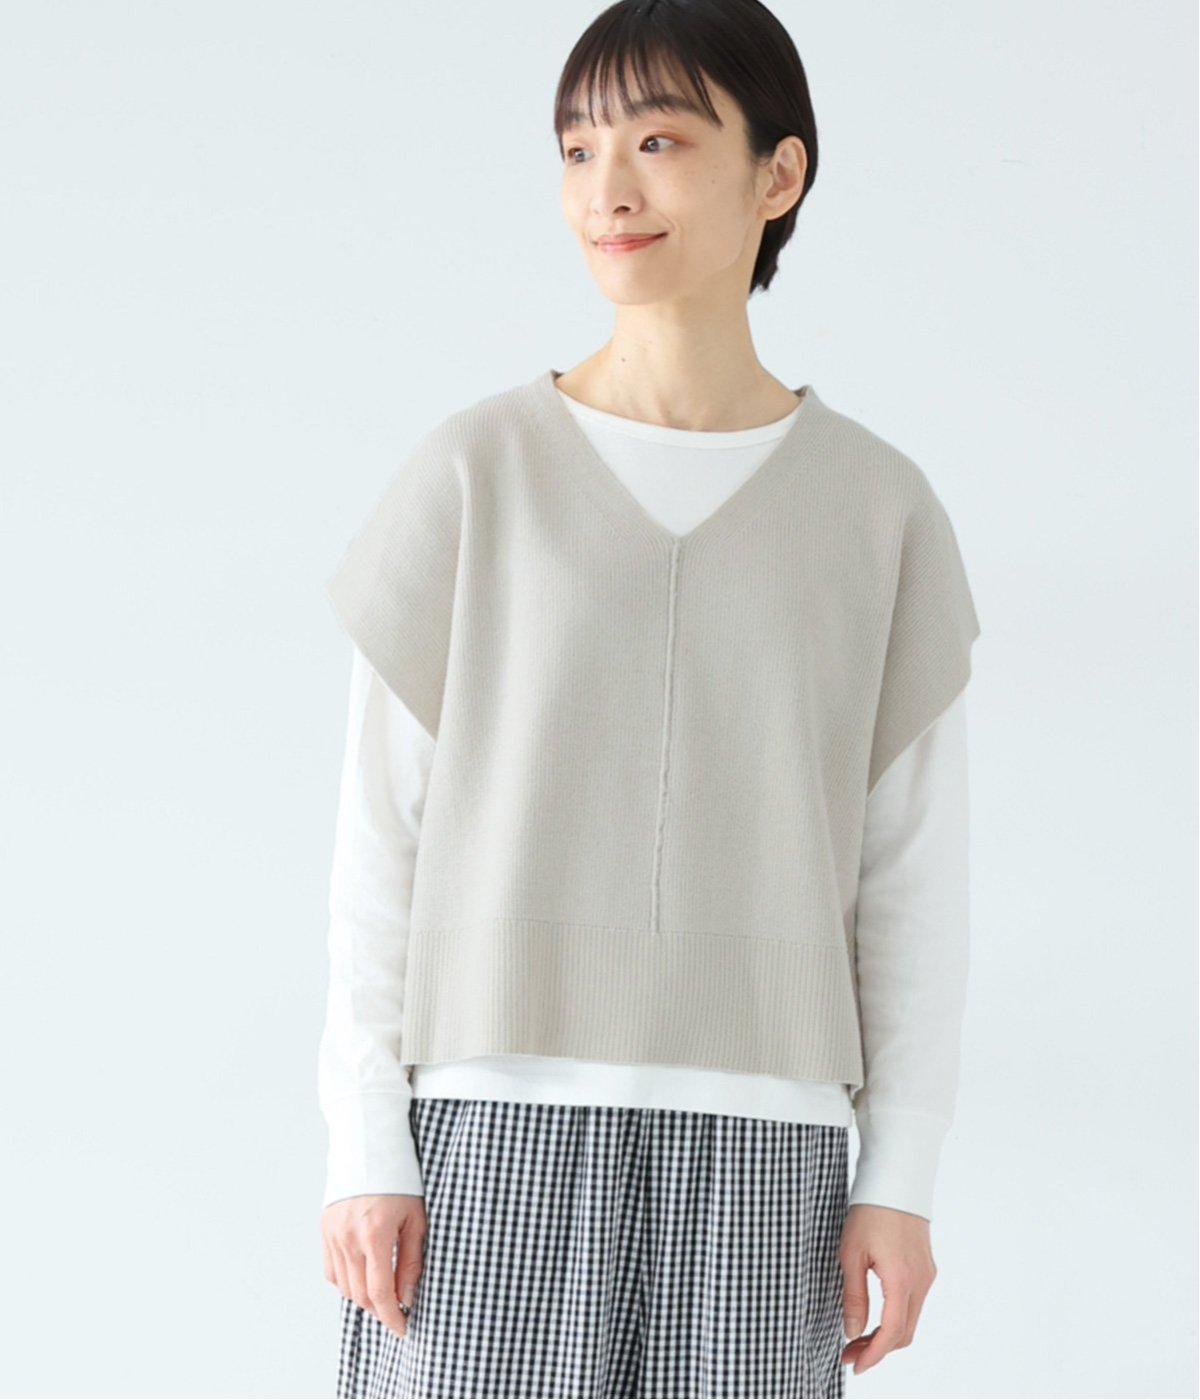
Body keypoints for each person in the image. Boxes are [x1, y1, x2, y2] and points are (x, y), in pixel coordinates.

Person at [317, 2, 980, 1397]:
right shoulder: (474, 476)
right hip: (485, 1139)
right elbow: (381, 842)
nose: (606, 190)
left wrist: (901, 1175)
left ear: (778, 175)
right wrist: (365, 1145)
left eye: (659, 142)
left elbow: (911, 877)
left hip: (771, 1157)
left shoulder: (879, 511)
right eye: (578, 149)